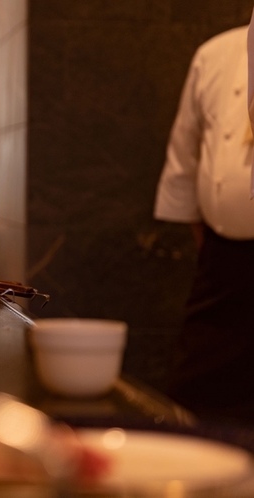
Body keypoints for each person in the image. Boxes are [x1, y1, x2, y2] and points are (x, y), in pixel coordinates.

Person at [154, 22, 254, 420]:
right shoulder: (215, 54)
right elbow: (185, 160)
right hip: (222, 266)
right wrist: (217, 247)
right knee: (199, 394)